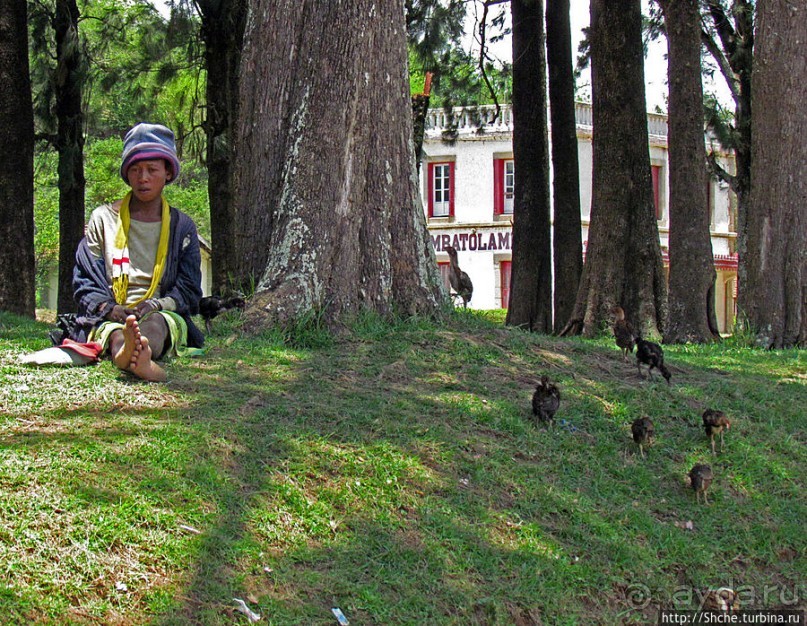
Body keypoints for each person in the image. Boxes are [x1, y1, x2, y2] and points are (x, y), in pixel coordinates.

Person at [71, 123, 205, 381]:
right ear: (127, 174)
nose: (143, 178)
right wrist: (110, 308)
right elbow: (84, 280)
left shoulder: (182, 227)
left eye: (152, 170)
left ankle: (142, 352)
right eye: (135, 169)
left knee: (156, 325)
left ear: (168, 172)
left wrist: (156, 304)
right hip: (110, 315)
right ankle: (126, 352)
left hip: (161, 311)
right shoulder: (103, 219)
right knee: (115, 332)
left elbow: (189, 289)